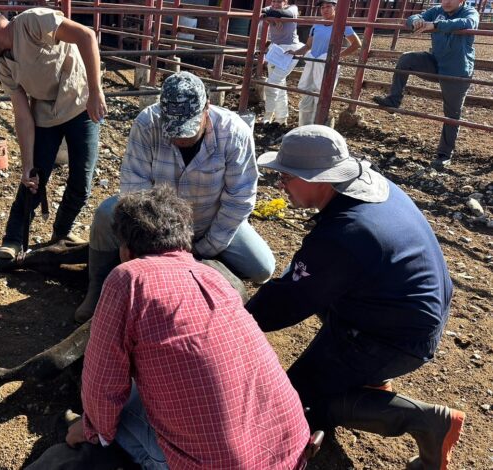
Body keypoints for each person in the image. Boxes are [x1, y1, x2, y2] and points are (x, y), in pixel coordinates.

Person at [247, 125, 465, 470]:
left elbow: (287, 302)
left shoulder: (345, 234)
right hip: (405, 309)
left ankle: (428, 422)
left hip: (394, 337)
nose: (281, 186)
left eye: (286, 177)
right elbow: (308, 276)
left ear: (318, 178)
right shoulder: (370, 190)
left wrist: (234, 320)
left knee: (298, 402)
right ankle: (368, 378)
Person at [65, 186, 311, 469]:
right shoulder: (214, 277)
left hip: (221, 464)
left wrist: (90, 428)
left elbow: (103, 381)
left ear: (125, 250)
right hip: (292, 447)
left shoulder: (129, 278)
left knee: (118, 411)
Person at [74, 71, 274, 322]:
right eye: (174, 130)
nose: (180, 138)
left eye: (187, 130)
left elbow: (239, 199)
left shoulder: (234, 133)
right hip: (157, 225)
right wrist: (156, 248)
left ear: (206, 109)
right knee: (106, 214)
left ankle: (209, 269)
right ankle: (97, 288)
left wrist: (203, 249)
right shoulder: (148, 123)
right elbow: (135, 192)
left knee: (262, 267)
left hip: (209, 219)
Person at [0, 4, 107, 258]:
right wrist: (27, 163)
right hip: (45, 114)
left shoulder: (32, 22)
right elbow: (22, 114)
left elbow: (86, 36)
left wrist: (96, 91)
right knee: (33, 178)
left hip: (80, 104)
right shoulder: (4, 64)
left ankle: (62, 232)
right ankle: (14, 239)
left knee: (81, 180)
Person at [372, 0, 478, 168]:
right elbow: (413, 17)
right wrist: (415, 21)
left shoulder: (469, 12)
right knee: (406, 58)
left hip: (457, 70)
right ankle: (394, 99)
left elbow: (467, 23)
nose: (447, 1)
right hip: (435, 63)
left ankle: (444, 154)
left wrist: (434, 25)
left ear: (462, 1)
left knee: (452, 114)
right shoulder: (436, 10)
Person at [289, 0, 361, 126]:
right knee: (307, 95)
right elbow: (308, 46)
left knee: (321, 97)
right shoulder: (317, 24)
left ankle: (320, 128)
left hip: (327, 65)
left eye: (328, 6)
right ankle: (304, 127)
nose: (325, 10)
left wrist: (337, 56)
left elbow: (356, 44)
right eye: (322, 7)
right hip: (313, 63)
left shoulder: (342, 24)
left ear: (335, 8)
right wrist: (296, 52)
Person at [261, 0, 304, 125]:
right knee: (279, 84)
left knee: (272, 84)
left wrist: (273, 15)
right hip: (276, 49)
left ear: (285, 2)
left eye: (279, 1)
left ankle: (267, 117)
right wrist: (274, 16)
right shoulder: (272, 8)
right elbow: (262, 10)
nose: (275, 3)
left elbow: (287, 14)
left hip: (290, 49)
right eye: (274, 1)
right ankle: (281, 118)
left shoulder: (293, 8)